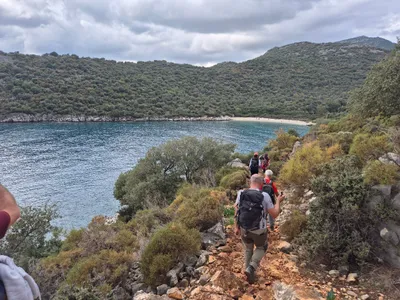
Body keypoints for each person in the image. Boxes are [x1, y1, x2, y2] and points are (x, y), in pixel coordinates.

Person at [234, 174, 285, 283]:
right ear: (262, 184)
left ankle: (249, 277)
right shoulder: (265, 195)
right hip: (259, 230)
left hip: (244, 228)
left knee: (248, 248)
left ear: (250, 182)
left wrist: (236, 227)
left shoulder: (241, 193)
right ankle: (251, 267)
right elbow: (275, 214)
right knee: (262, 247)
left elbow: (237, 211)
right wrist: (278, 201)